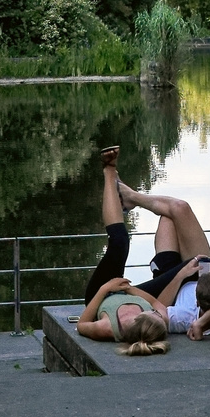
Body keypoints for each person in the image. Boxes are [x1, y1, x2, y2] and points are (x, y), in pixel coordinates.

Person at [112, 179, 210, 340]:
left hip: (172, 278)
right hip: (199, 271)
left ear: (197, 302)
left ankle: (130, 198)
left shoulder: (184, 317)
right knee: (180, 209)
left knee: (169, 214)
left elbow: (158, 307)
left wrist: (181, 275)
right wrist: (202, 322)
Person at [73, 147, 171, 355]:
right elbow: (155, 302)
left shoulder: (107, 328)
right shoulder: (157, 321)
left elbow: (81, 325)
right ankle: (128, 198)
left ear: (135, 321)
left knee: (119, 243)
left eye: (150, 314)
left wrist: (106, 288)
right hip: (126, 289)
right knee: (196, 264)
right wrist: (129, 290)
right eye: (154, 314)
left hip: (100, 293)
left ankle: (109, 171)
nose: (154, 313)